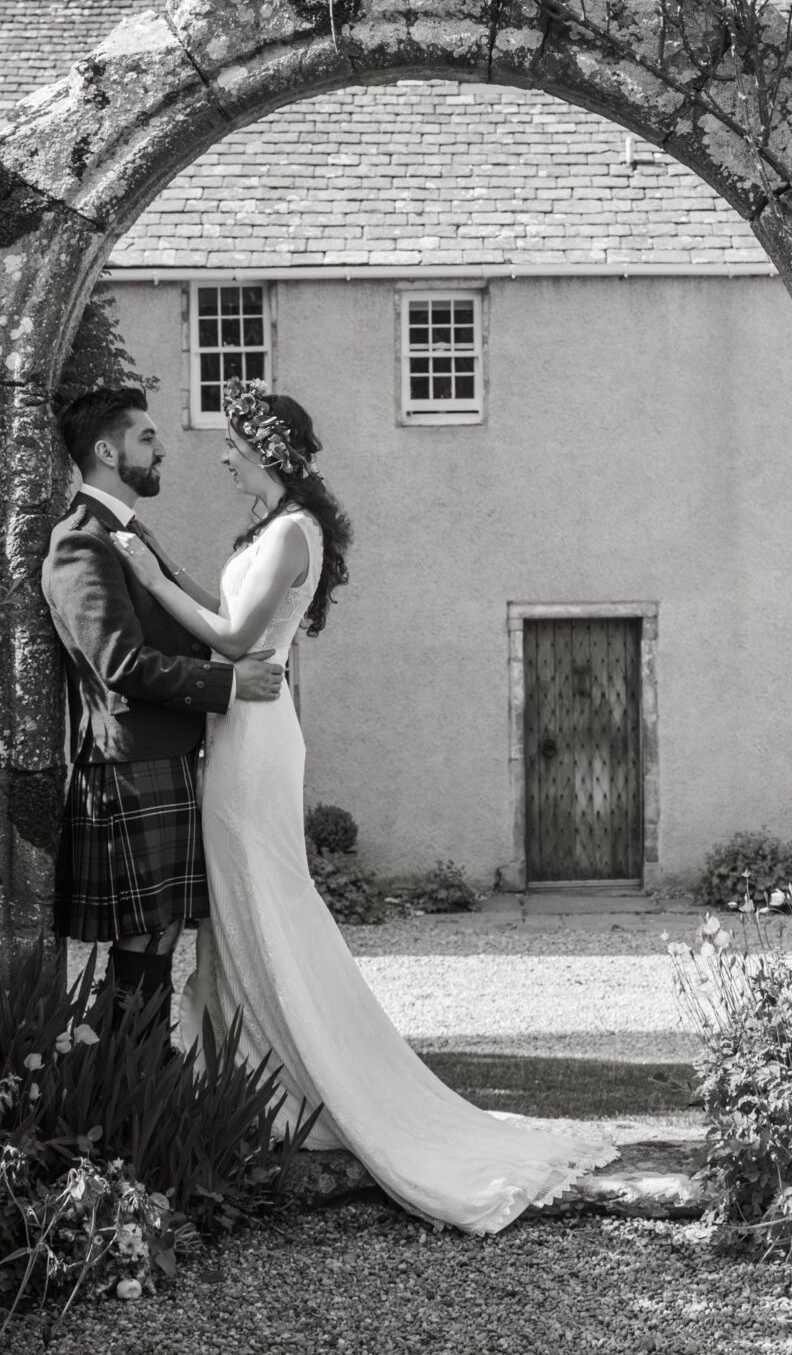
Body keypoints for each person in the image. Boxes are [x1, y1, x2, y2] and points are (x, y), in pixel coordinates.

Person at [109, 378, 614, 1234]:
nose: (223, 456)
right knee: (240, 901)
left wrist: (151, 577)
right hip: (241, 724)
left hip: (253, 736)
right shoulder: (271, 530)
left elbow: (231, 639)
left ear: (265, 450)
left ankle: (301, 1077)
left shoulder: (293, 532)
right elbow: (231, 618)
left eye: (233, 444)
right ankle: (248, 1076)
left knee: (264, 898)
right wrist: (164, 572)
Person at [41, 386, 285, 1026]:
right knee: (145, 934)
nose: (162, 448)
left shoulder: (128, 531)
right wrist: (228, 686)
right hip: (128, 764)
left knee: (163, 929)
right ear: (105, 449)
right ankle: (123, 1072)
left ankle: (132, 1070)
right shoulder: (80, 543)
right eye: (146, 438)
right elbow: (120, 664)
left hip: (165, 754)